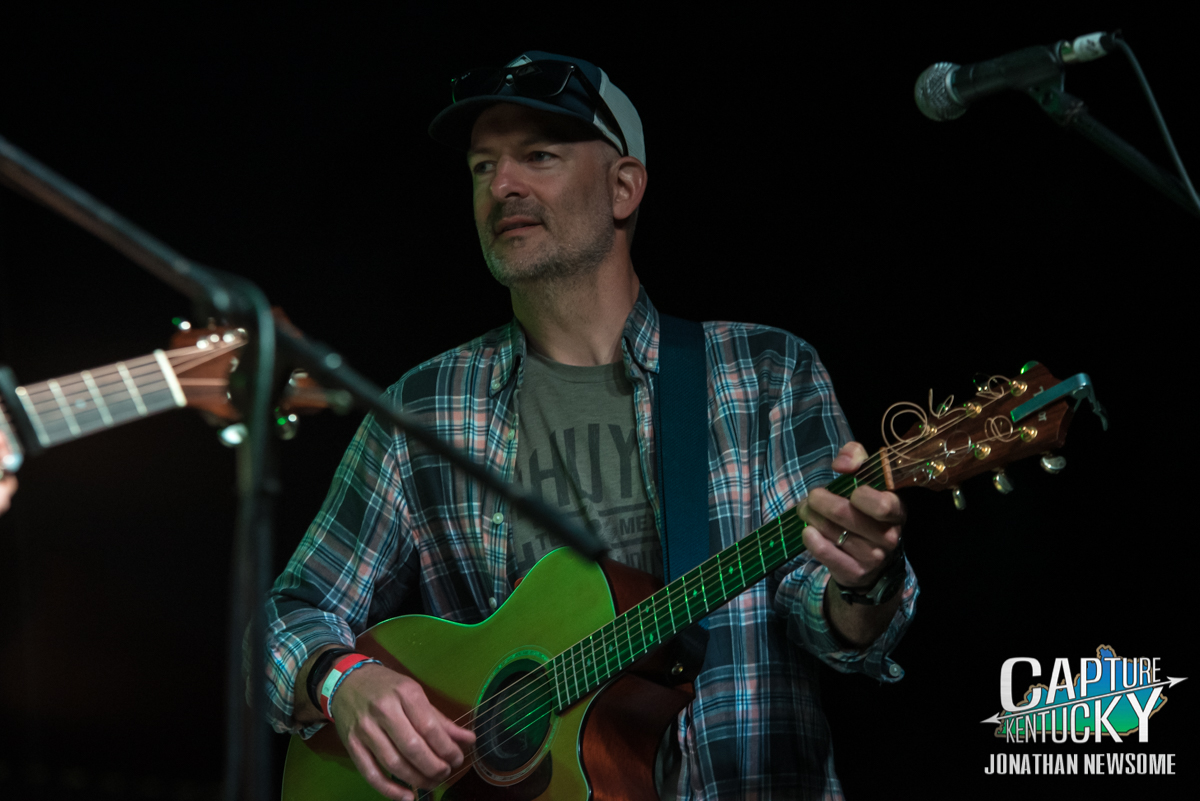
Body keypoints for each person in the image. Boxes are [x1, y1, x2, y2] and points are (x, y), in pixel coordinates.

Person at [261, 51, 918, 801]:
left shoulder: (765, 372)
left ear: (624, 186)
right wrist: (341, 678)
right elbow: (287, 615)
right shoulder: (423, 408)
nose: (502, 186)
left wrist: (862, 580)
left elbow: (831, 619)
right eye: (482, 167)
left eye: (538, 156)